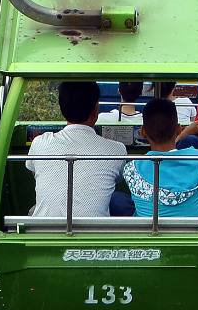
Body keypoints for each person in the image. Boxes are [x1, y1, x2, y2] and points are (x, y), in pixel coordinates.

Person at [28, 81, 128, 224]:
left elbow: (35, 174)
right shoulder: (116, 150)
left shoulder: (39, 143)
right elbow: (116, 181)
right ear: (95, 110)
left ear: (62, 108)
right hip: (94, 235)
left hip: (44, 233)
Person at [124, 97, 198, 220]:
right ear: (178, 128)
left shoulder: (131, 169)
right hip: (195, 236)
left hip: (148, 236)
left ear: (143, 132)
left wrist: (180, 135)